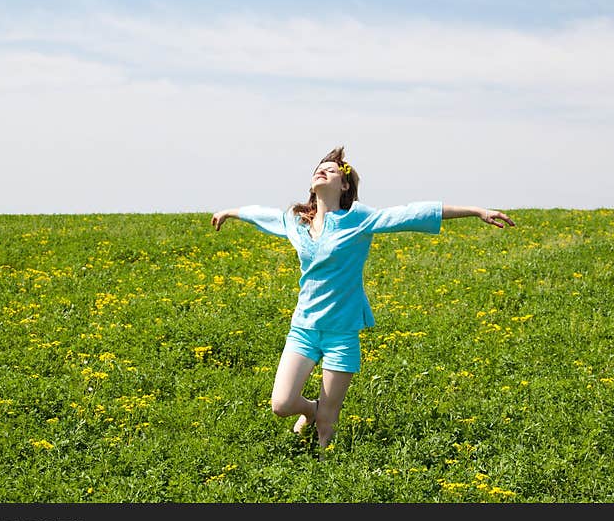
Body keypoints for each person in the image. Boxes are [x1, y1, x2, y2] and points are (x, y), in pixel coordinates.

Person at [210, 146, 515, 449]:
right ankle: (311, 409)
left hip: (342, 333)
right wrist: (230, 212)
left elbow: (411, 213)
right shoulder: (297, 220)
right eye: (320, 167)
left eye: (331, 169)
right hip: (303, 329)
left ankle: (323, 469)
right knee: (281, 404)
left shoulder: (359, 219)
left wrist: (476, 211)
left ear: (344, 185)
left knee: (327, 426)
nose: (323, 170)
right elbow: (263, 215)